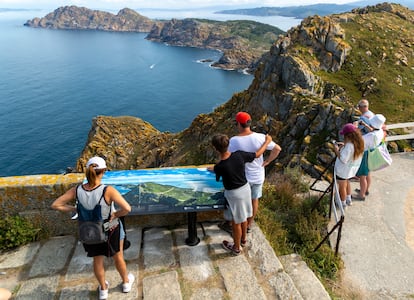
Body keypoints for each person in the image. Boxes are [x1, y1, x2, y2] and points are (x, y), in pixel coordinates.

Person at [51, 156, 134, 300]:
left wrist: (76, 209)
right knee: (118, 256)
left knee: (97, 260)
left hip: (89, 231)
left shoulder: (77, 190)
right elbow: (127, 208)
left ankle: (103, 289)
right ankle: (126, 283)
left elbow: (56, 204)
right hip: (110, 228)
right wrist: (115, 214)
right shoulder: (108, 191)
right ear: (103, 171)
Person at [211, 133, 272, 255]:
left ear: (215, 149)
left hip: (234, 194)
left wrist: (213, 168)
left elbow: (218, 172)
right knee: (243, 216)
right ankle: (243, 239)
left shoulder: (220, 166)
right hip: (245, 189)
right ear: (228, 144)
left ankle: (236, 248)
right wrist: (267, 142)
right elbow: (257, 154)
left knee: (236, 222)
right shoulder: (239, 155)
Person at [228, 112, 281, 232]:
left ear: (238, 124)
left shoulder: (234, 141)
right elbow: (277, 149)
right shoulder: (261, 137)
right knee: (254, 200)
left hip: (243, 178)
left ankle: (237, 226)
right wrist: (268, 161)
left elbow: (228, 157)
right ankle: (249, 225)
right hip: (258, 176)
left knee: (240, 202)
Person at [353, 114, 386, 201]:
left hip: (365, 155)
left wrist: (355, 128)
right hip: (371, 153)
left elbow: (358, 139)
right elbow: (373, 130)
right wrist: (365, 125)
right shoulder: (380, 132)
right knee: (368, 173)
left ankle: (361, 195)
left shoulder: (370, 136)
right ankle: (366, 190)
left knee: (362, 176)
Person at [334, 123, 364, 208]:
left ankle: (342, 204)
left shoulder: (349, 146)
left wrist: (337, 151)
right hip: (350, 170)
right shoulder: (359, 144)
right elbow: (351, 153)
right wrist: (344, 145)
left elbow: (343, 159)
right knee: (347, 183)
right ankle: (348, 199)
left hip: (343, 171)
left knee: (342, 187)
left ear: (348, 135)